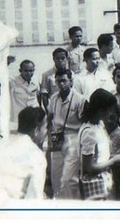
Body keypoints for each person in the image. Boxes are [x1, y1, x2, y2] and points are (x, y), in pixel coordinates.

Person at [0, 106, 48, 200]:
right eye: (46, 127)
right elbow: (33, 199)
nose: (47, 131)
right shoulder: (37, 156)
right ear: (36, 130)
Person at [78, 89, 120, 200]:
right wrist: (113, 161)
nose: (110, 114)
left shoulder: (98, 125)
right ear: (100, 110)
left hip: (104, 181)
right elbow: (88, 167)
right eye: (109, 110)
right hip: (94, 185)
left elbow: (99, 156)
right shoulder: (89, 131)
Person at [48, 69, 86, 199]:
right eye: (58, 81)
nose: (61, 84)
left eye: (64, 80)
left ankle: (73, 203)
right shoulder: (53, 98)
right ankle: (57, 201)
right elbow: (49, 118)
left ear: (71, 81)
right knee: (56, 174)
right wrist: (49, 138)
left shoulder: (80, 100)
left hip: (73, 138)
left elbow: (84, 123)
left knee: (70, 176)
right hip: (56, 138)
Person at [9, 60, 39, 132]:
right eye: (25, 71)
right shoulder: (13, 81)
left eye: (31, 71)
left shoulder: (35, 80)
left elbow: (38, 95)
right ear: (20, 70)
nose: (28, 73)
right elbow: (1, 75)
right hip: (20, 118)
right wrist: (7, 63)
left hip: (34, 116)